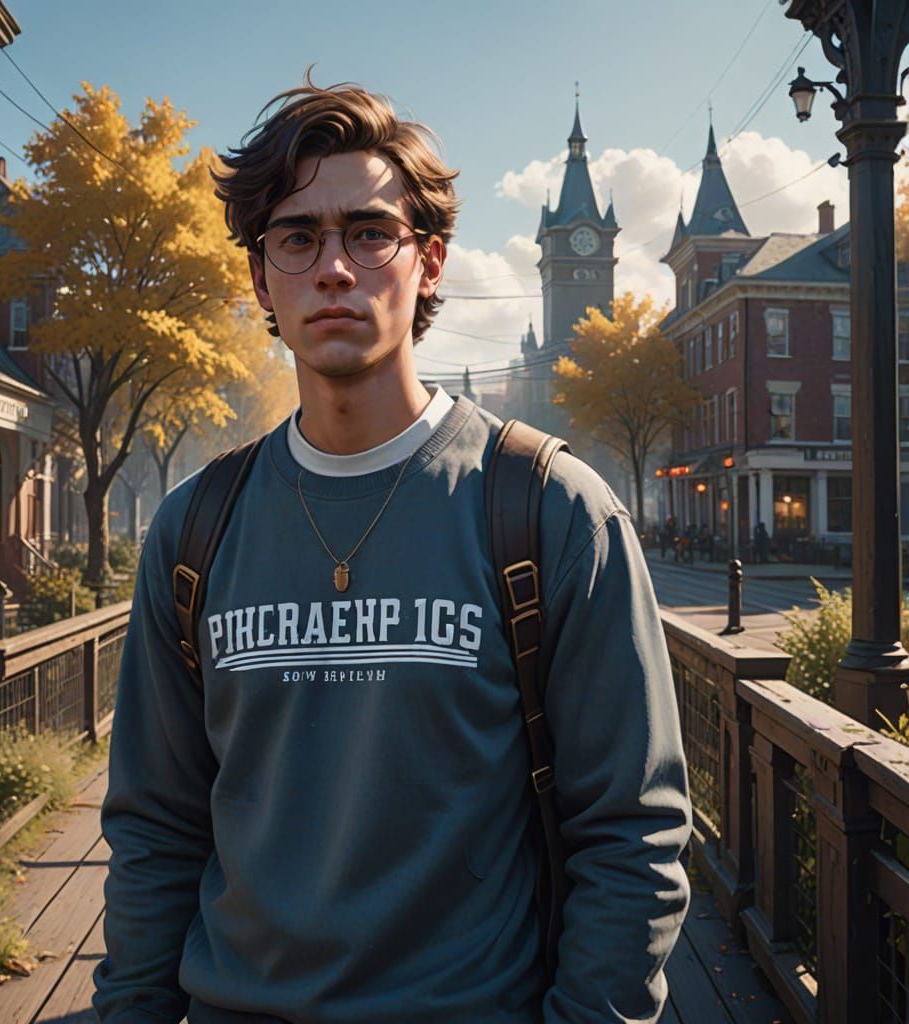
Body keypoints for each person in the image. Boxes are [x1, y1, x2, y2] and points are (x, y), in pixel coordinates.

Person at [94, 74, 691, 1024]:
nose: (334, 267)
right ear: (261, 277)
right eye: (298, 237)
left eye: (370, 233)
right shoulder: (193, 530)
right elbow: (156, 830)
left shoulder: (550, 512)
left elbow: (633, 833)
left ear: (431, 261)